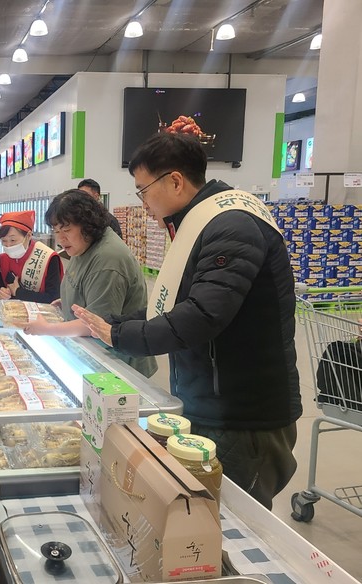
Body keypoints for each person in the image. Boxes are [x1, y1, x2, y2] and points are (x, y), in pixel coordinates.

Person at [74, 132, 301, 510]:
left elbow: (202, 315)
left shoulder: (232, 226)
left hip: (244, 417)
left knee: (227, 520)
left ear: (175, 181)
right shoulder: (201, 224)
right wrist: (110, 323)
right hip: (211, 405)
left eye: (143, 190)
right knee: (195, 516)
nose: (143, 203)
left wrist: (119, 334)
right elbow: (170, 306)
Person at [23, 190, 156, 378]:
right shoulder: (83, 245)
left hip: (118, 364)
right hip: (92, 352)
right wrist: (67, 301)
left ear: (87, 225)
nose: (60, 239)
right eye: (56, 231)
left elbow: (95, 324)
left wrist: (46, 329)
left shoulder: (108, 259)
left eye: (66, 230)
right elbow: (84, 283)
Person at [0, 210, 63, 303]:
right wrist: (3, 293)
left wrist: (19, 292)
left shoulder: (48, 258)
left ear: (28, 236)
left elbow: (54, 298)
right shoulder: (4, 259)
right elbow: (4, 288)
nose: (8, 246)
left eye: (13, 240)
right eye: (4, 241)